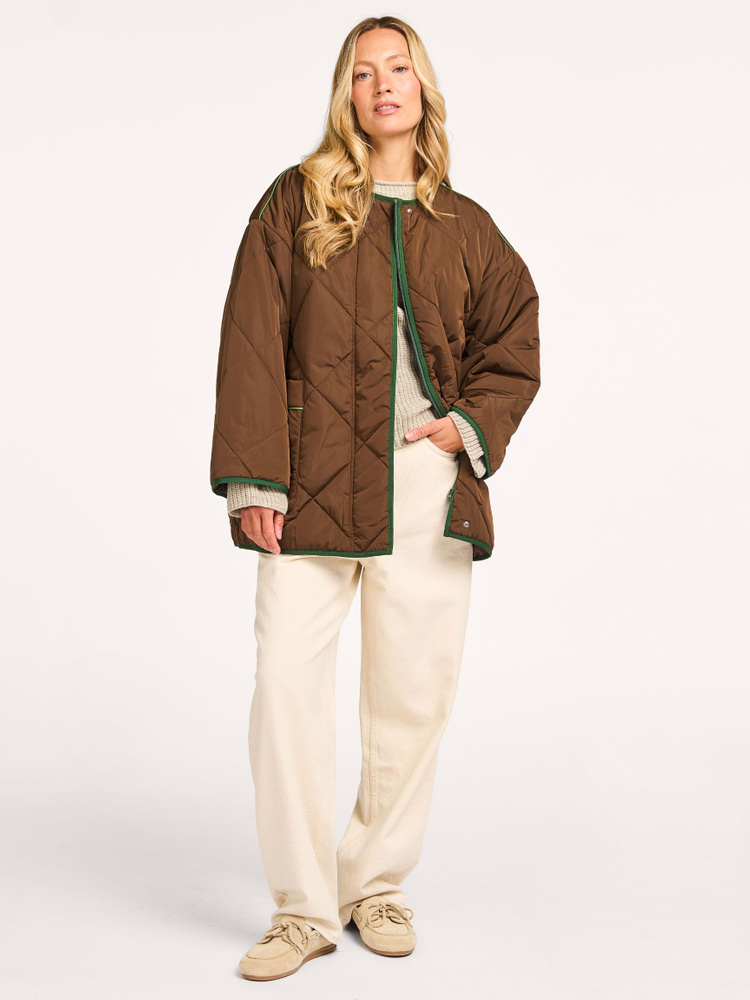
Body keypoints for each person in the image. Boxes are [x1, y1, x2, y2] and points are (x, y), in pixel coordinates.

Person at [209, 14, 541, 982]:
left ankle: (375, 883)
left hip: (424, 490)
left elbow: (514, 337)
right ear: (345, 94)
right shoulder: (297, 200)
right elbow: (250, 338)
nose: (383, 85)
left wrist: (463, 426)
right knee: (285, 690)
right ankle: (301, 908)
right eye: (363, 73)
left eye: (399, 68)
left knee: (411, 697)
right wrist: (256, 478)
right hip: (307, 483)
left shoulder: (465, 225)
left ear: (422, 87)